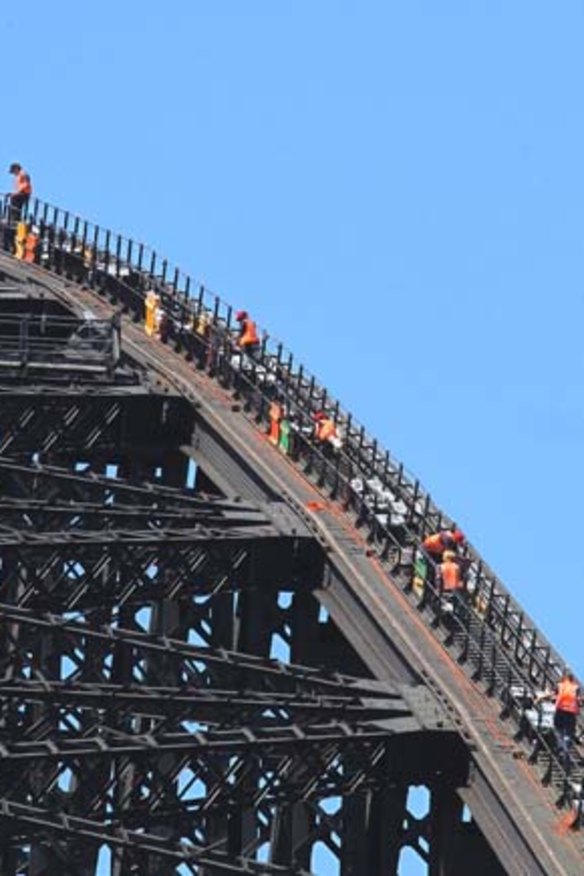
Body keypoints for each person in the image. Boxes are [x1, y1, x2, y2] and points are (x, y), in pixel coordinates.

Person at [536, 670, 582, 770]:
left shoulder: (560, 685)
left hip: (560, 711)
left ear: (564, 677)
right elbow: (579, 700)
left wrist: (539, 698)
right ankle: (565, 748)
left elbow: (551, 694)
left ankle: (561, 749)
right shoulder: (576, 687)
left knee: (558, 731)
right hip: (571, 714)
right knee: (568, 734)